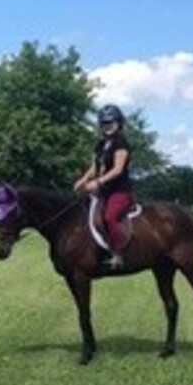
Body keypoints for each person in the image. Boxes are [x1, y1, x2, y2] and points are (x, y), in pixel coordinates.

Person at [73, 104, 135, 268]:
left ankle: (118, 253)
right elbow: (94, 168)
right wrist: (83, 180)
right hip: (103, 191)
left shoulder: (121, 143)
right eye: (104, 123)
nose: (107, 126)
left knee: (109, 217)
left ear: (118, 123)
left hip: (120, 191)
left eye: (111, 122)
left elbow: (117, 169)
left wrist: (98, 182)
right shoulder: (100, 144)